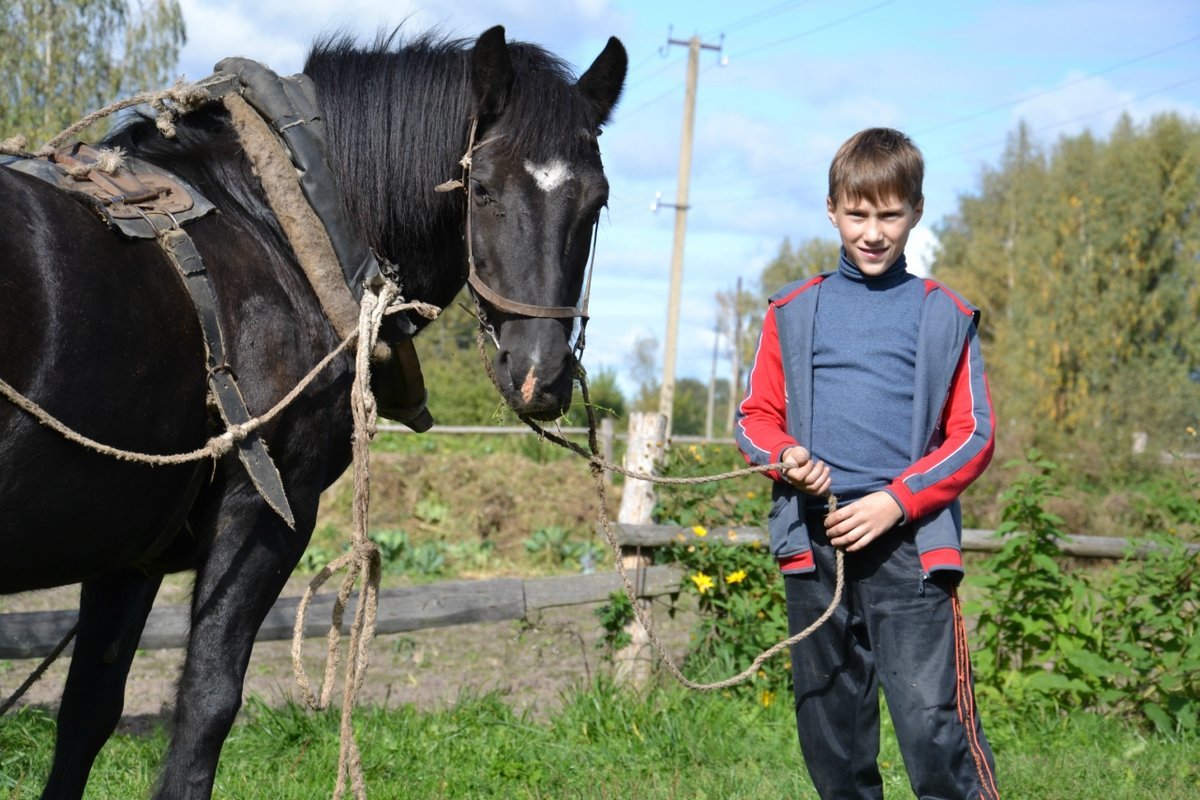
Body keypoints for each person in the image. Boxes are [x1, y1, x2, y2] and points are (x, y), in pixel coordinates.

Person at [734, 127, 1000, 799]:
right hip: (816, 544)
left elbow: (973, 436)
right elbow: (754, 418)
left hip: (908, 548)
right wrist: (787, 457)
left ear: (915, 211)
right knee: (832, 738)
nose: (873, 231)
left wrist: (895, 502)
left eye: (890, 214)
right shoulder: (793, 311)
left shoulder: (946, 314)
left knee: (933, 729)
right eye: (858, 214)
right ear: (832, 210)